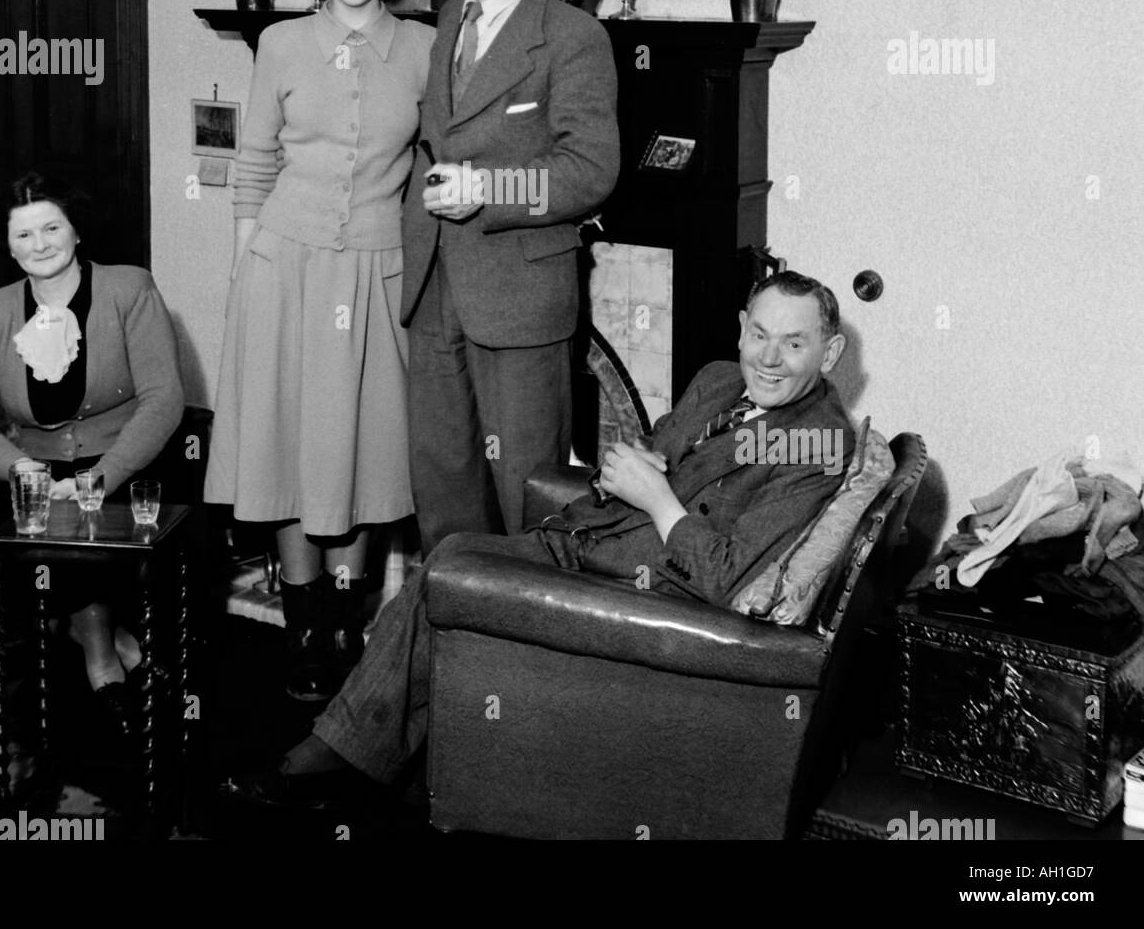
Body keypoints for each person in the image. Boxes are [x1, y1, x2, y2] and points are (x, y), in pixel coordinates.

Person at [238, 271, 854, 800]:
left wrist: (656, 496)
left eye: (794, 343)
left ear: (829, 355)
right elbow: (658, 446)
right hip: (590, 535)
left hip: (639, 590)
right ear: (742, 325)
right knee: (450, 562)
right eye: (760, 335)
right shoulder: (720, 380)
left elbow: (723, 577)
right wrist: (627, 467)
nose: (768, 359)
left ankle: (336, 756)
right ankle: (370, 751)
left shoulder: (818, 443)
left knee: (446, 573)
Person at [204, 0, 434, 701]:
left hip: (377, 270)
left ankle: (347, 616)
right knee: (289, 448)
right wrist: (243, 277)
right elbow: (254, 163)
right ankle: (303, 626)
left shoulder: (424, 48)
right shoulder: (281, 44)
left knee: (368, 447)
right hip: (284, 269)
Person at [402, 0, 620, 555]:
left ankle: (529, 650)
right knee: (443, 488)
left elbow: (589, 172)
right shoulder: (443, 21)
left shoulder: (572, 35)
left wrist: (489, 189)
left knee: (529, 494)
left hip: (519, 296)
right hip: (433, 287)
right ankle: (454, 643)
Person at [0, 171, 184, 731]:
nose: (40, 244)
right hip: (36, 477)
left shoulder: (130, 288)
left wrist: (99, 476)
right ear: (6, 243)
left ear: (76, 231)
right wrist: (19, 468)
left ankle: (101, 660)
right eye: (23, 235)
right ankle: (111, 641)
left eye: (51, 227)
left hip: (127, 466)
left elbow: (163, 401)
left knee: (86, 551)